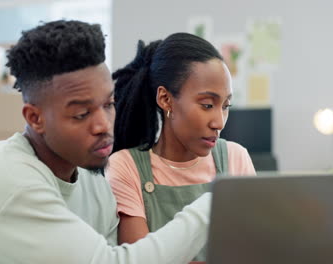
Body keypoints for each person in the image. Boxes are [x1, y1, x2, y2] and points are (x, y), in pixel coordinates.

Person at [0, 20, 211, 264]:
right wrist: (212, 205)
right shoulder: (9, 181)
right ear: (35, 118)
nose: (103, 124)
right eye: (81, 114)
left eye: (109, 104)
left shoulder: (91, 178)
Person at [106, 33, 256, 261]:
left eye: (225, 106)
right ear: (165, 99)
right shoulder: (126, 167)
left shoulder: (236, 157)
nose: (219, 122)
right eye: (207, 105)